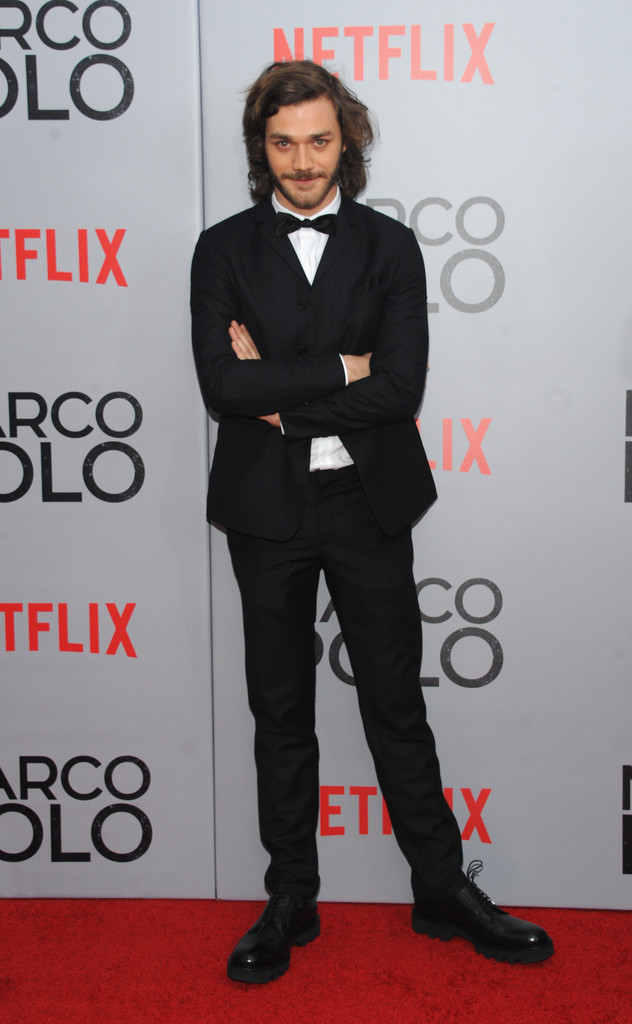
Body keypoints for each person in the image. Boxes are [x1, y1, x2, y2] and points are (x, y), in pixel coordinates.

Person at [191, 59, 553, 983]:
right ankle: (290, 898)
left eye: (319, 140)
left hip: (368, 502)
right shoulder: (221, 249)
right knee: (280, 709)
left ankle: (442, 888)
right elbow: (223, 386)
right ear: (261, 148)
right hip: (265, 511)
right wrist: (336, 370)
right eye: (283, 143)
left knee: (396, 703)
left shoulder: (391, 247)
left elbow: (399, 390)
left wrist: (282, 399)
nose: (302, 161)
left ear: (344, 141)